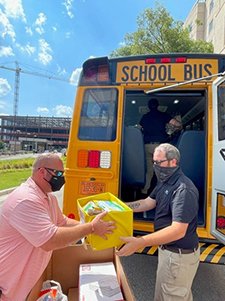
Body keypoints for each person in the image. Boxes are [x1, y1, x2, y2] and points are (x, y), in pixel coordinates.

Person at [0, 153, 115, 301]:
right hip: (8, 284)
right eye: (58, 173)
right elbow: (50, 240)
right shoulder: (26, 200)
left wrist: (88, 226)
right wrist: (91, 228)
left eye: (63, 173)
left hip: (23, 284)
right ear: (41, 172)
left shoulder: (48, 197)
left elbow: (62, 222)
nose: (62, 178)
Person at [117, 143, 200, 301]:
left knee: (171, 296)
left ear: (173, 162)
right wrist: (119, 207)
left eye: (159, 162)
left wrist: (140, 241)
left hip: (178, 257)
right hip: (169, 253)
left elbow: (178, 230)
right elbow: (148, 202)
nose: (155, 166)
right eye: (154, 162)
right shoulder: (165, 181)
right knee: (169, 294)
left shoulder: (183, 189)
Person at [139, 98, 171, 194]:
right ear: (157, 105)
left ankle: (144, 191)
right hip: (160, 147)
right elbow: (175, 123)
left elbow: (140, 129)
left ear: (148, 106)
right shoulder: (163, 115)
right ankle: (162, 191)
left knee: (149, 171)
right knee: (162, 169)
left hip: (148, 146)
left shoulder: (144, 117)